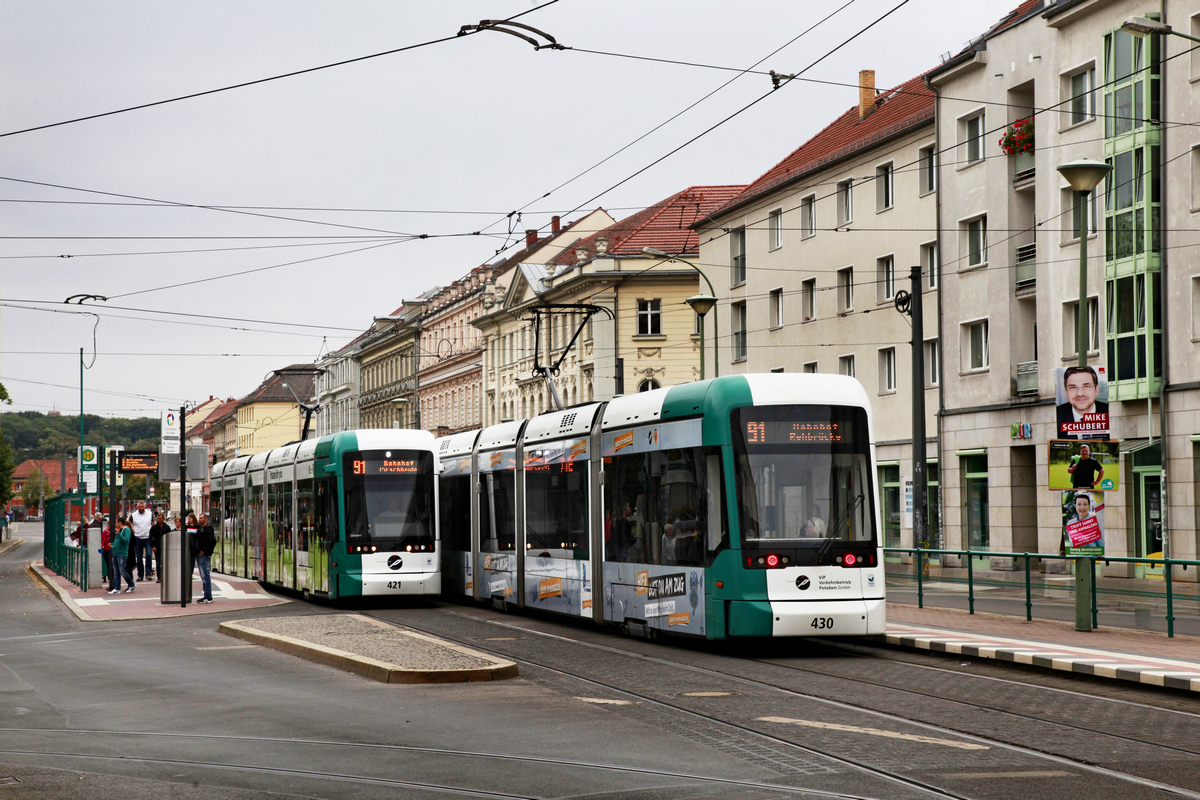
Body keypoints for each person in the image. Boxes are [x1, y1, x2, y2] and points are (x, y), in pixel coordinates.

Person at [1056, 366, 1109, 439]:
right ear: (1066, 392)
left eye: (1086, 386)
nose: (1080, 394)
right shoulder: (1056, 416)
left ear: (1096, 389)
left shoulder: (1110, 412)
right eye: (1073, 387)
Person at [129, 500, 154, 581]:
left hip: (147, 538)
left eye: (142, 507)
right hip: (138, 538)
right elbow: (129, 524)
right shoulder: (133, 515)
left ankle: (148, 573)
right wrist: (132, 532)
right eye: (139, 507)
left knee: (149, 555)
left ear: (145, 506)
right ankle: (140, 575)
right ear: (137, 506)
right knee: (139, 557)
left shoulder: (150, 514)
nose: (141, 508)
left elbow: (153, 524)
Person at [110, 515, 135, 594]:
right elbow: (118, 542)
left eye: (116, 522)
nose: (115, 524)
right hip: (116, 553)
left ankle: (131, 584)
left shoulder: (126, 530)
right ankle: (117, 587)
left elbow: (125, 541)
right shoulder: (120, 530)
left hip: (122, 553)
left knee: (122, 570)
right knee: (116, 571)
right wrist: (113, 546)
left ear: (120, 522)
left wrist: (119, 534)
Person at [195, 512, 217, 603]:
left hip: (204, 555)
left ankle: (208, 596)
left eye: (201, 518)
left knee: (205, 576)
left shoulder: (207, 529)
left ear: (206, 519)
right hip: (200, 553)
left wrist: (204, 550)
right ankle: (206, 595)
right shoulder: (200, 528)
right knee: (203, 576)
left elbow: (212, 541)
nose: (200, 520)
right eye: (199, 518)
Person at [149, 512, 171, 583]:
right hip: (157, 548)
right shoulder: (154, 528)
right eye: (157, 518)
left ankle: (166, 576)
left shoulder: (167, 527)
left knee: (165, 563)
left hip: (165, 548)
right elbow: (150, 538)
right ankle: (159, 577)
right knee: (158, 563)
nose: (158, 520)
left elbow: (170, 537)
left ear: (163, 519)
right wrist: (152, 546)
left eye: (160, 518)